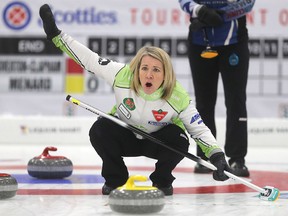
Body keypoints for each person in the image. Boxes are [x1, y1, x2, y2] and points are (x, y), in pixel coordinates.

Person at [39, 4, 232, 196]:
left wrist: (217, 156)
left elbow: (198, 128)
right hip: (126, 136)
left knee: (180, 139)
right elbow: (89, 59)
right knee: (100, 130)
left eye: (156, 70)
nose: (148, 75)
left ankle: (162, 181)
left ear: (166, 75)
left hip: (158, 142)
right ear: (137, 69)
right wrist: (56, 35)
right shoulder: (122, 75)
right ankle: (116, 180)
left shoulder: (177, 95)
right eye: (144, 68)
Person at [178, 0, 255, 177]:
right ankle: (206, 157)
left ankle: (237, 158)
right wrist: (200, 11)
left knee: (236, 101)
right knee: (204, 103)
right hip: (200, 41)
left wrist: (222, 14)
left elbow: (249, 3)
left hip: (234, 41)